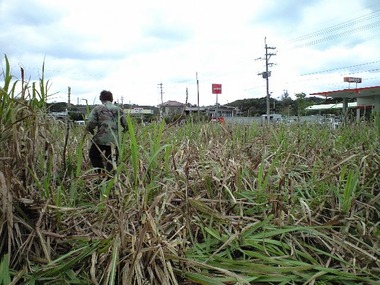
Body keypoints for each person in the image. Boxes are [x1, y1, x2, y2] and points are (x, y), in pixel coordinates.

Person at [86, 90, 127, 173]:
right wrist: (123, 131)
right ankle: (110, 179)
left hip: (100, 138)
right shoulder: (118, 109)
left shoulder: (97, 109)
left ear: (101, 99)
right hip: (114, 140)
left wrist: (91, 131)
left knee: (93, 155)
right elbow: (126, 124)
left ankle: (100, 173)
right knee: (112, 159)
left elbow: (91, 123)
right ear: (111, 99)